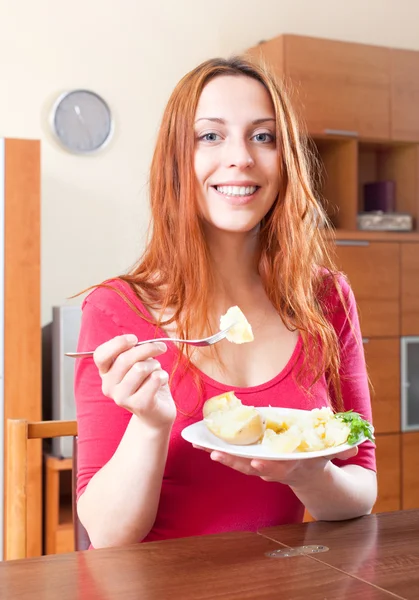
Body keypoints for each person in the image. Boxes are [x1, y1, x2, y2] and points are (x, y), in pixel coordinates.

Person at [74, 56, 377, 549]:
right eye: (210, 136)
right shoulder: (116, 310)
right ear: (176, 158)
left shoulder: (326, 298)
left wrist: (304, 473)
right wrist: (151, 424)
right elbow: (108, 536)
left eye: (263, 136)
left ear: (287, 161)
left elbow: (360, 491)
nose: (241, 158)